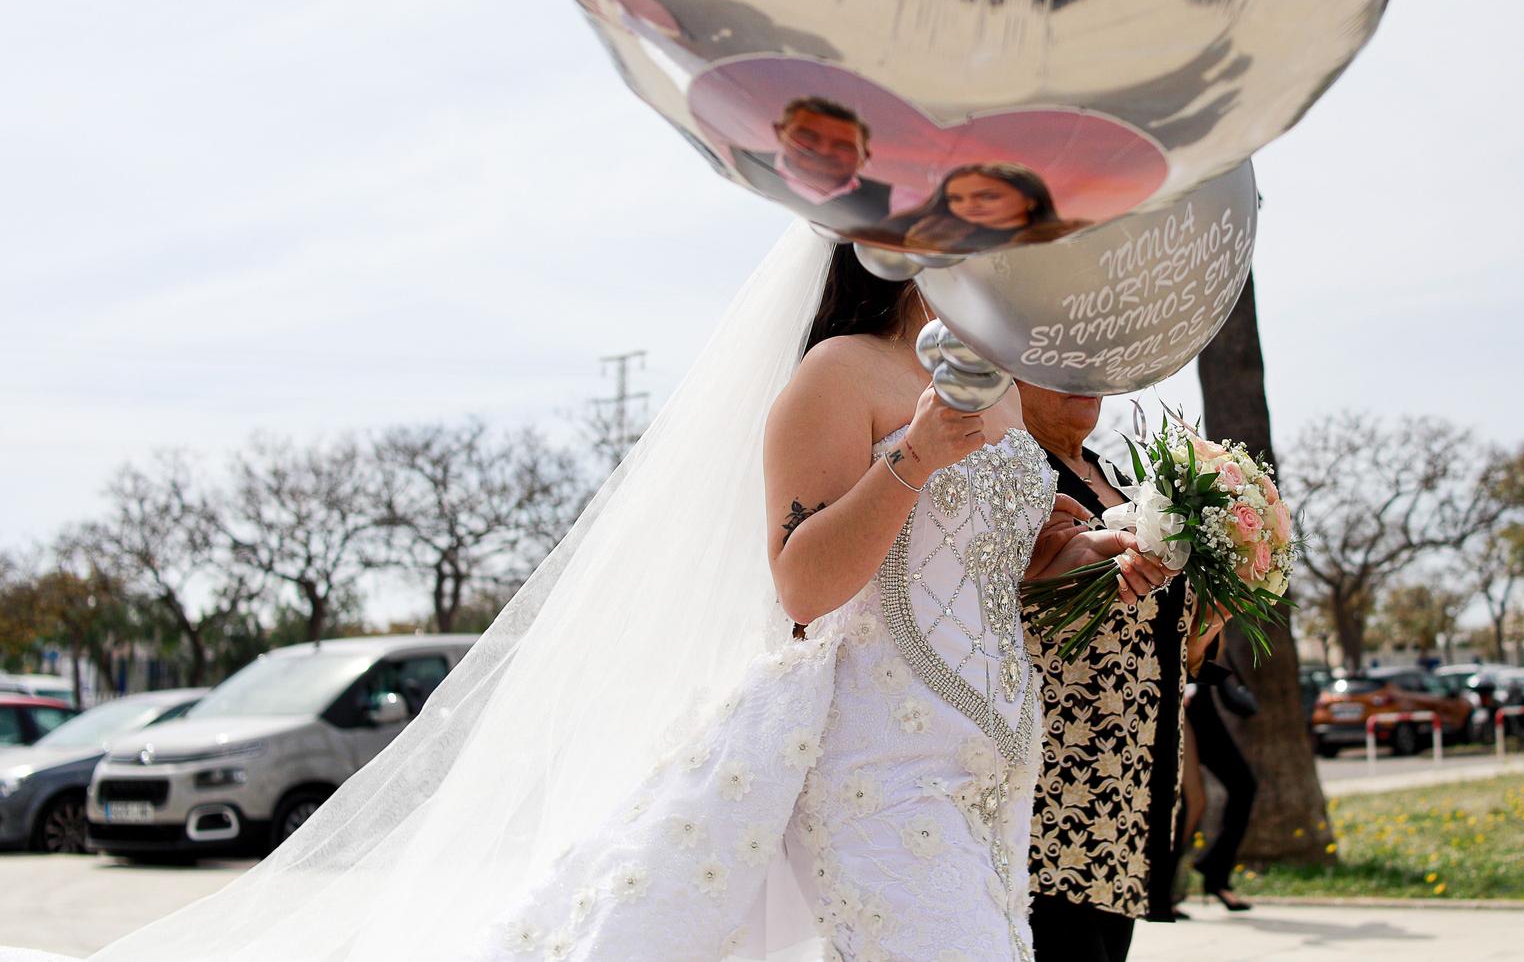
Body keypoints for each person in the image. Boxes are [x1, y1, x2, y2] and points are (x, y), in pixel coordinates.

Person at [0, 230, 1156, 962]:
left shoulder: (1002, 397)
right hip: (875, 763)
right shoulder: (837, 378)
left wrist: (1089, 555)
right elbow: (803, 582)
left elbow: (981, 573)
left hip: (998, 767)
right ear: (895, 242)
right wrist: (911, 453)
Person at [1020, 386, 1216, 962]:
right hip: (1055, 794)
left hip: (1128, 793)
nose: (1085, 383)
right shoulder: (1014, 476)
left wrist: (1207, 626)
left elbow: (1173, 647)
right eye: (1058, 368)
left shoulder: (1122, 479)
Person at [731, 96, 894, 232]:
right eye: (807, 137)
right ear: (780, 132)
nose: (824, 151)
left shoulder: (893, 201)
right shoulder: (735, 163)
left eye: (843, 146)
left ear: (864, 157)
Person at [1186, 647, 1259, 912]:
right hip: (1183, 712)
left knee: (1243, 787)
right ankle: (1163, 892)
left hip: (1201, 709)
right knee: (1185, 804)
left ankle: (1215, 872)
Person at [889, 162, 1090, 253]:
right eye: (956, 198)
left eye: (988, 196)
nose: (969, 206)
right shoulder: (930, 235)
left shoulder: (1070, 237)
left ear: (1031, 199)